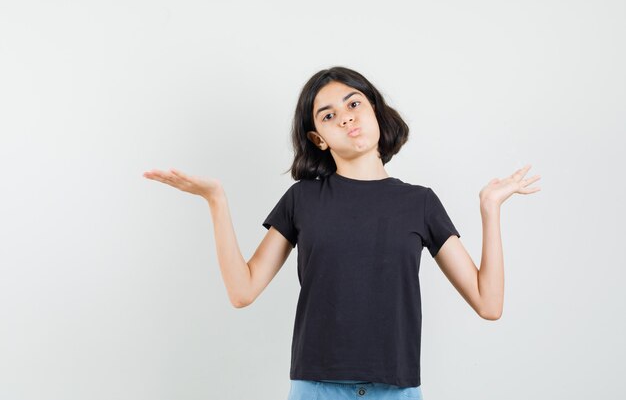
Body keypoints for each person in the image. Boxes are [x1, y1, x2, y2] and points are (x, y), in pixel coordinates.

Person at [143, 66, 542, 400]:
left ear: (375, 112)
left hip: (396, 391)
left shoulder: (420, 203)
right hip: (316, 388)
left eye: (354, 104)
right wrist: (216, 200)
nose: (346, 117)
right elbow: (242, 291)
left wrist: (490, 210)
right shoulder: (302, 200)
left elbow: (489, 304)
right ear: (318, 138)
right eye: (328, 115)